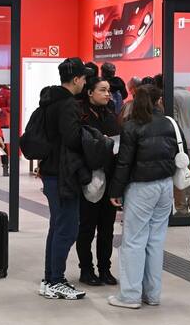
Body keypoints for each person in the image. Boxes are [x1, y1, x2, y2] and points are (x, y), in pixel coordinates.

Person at [108, 85, 178, 309]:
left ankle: (130, 296)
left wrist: (115, 191)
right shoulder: (169, 123)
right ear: (158, 101)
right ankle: (153, 294)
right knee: (156, 241)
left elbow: (124, 162)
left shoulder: (131, 127)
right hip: (165, 186)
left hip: (141, 187)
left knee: (133, 241)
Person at [37, 57, 93, 300]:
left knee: (57, 226)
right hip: (63, 173)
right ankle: (56, 280)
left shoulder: (49, 100)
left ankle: (50, 278)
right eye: (84, 78)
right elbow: (71, 138)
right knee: (68, 228)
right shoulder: (68, 104)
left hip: (50, 170)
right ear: (77, 79)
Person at [76, 77, 121, 287]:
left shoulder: (111, 115)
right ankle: (86, 269)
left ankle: (105, 269)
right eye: (102, 90)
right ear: (90, 92)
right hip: (89, 178)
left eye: (108, 91)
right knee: (86, 227)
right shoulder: (81, 115)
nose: (107, 94)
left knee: (107, 229)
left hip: (109, 177)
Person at [173, 85, 190, 215]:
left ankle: (181, 208)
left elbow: (174, 122)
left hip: (180, 142)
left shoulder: (173, 96)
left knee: (180, 175)